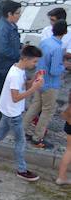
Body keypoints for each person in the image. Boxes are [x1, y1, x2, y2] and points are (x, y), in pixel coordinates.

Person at [0, 45, 44, 182]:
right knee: (20, 141)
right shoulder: (15, 75)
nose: (35, 65)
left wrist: (32, 82)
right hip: (13, 114)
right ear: (25, 58)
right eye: (34, 61)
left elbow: (22, 87)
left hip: (8, 111)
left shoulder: (18, 69)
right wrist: (34, 88)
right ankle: (22, 170)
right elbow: (16, 97)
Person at [23, 20, 67, 148]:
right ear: (65, 32)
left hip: (39, 80)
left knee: (34, 107)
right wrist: (63, 67)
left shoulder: (44, 42)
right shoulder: (57, 48)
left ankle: (21, 130)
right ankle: (38, 137)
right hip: (50, 84)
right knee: (47, 111)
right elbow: (54, 70)